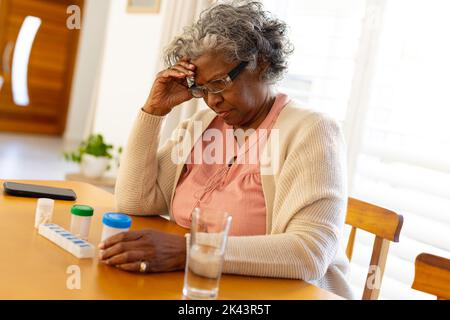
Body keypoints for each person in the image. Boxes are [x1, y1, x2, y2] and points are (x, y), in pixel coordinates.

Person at [99, 1, 354, 299]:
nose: (212, 101)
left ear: (261, 63)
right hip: (202, 287)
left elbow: (309, 253)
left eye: (219, 83)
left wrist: (191, 250)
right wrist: (154, 110)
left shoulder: (312, 131)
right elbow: (134, 202)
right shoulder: (203, 124)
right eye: (202, 88)